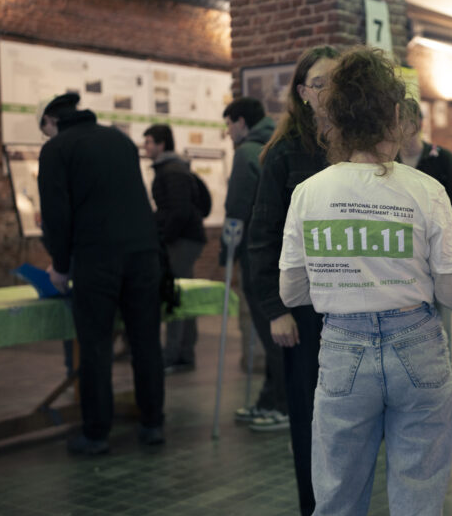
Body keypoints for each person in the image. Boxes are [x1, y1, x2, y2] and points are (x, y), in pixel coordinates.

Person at [279, 47, 452, 516]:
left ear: (332, 119)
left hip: (342, 349)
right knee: (419, 508)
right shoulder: (426, 190)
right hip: (419, 348)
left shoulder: (308, 193)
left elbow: (292, 292)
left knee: (335, 505)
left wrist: (344, 276)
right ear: (395, 116)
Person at [37, 93, 165, 455]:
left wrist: (61, 267)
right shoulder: (119, 139)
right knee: (145, 343)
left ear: (51, 121)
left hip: (97, 258)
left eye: (44, 130)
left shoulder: (57, 149)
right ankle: (152, 423)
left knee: (95, 346)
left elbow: (57, 215)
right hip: (143, 253)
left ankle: (96, 433)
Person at [247, 45, 338, 516]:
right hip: (303, 311)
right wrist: (275, 310)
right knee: (309, 422)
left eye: (338, 83)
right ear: (302, 93)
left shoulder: (355, 145)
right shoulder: (284, 154)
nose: (330, 92)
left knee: (349, 424)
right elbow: (261, 240)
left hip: (351, 308)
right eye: (321, 83)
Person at [221, 97, 289, 431]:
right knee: (274, 332)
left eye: (229, 124)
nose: (228, 132)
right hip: (281, 251)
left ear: (241, 122)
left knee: (271, 333)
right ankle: (269, 398)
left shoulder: (247, 151)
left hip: (256, 251)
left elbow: (237, 207)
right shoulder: (277, 143)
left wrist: (226, 254)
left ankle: (281, 404)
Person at [143, 124, 207, 373]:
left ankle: (173, 354)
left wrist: (165, 237)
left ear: (161, 144)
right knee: (182, 295)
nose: (146, 147)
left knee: (175, 297)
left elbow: (179, 211)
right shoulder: (173, 169)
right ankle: (183, 353)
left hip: (182, 240)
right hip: (183, 238)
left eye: (149, 142)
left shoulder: (172, 171)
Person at [397, 98, 452, 232]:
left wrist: (441, 233)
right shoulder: (388, 162)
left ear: (419, 123)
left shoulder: (443, 159)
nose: (400, 127)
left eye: (406, 121)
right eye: (397, 121)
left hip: (435, 243)